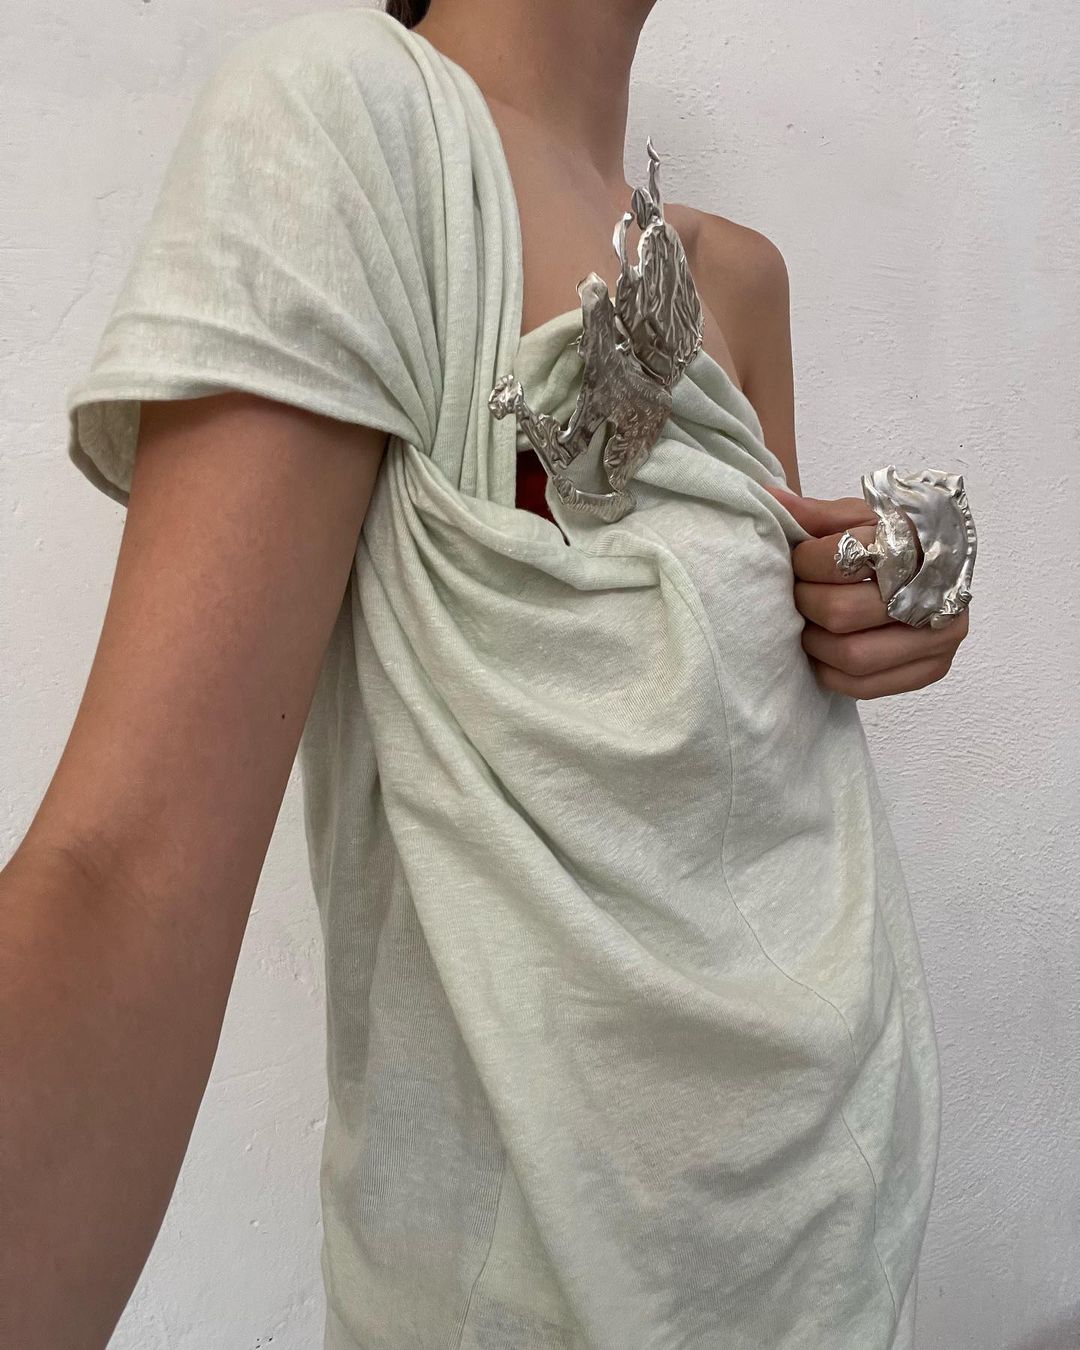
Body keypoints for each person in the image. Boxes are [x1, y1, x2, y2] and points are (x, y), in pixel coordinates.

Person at [3, 2, 969, 1347]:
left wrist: (884, 597)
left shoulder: (743, 281)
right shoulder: (347, 128)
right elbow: (124, 873)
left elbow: (742, 742)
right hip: (521, 1287)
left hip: (826, 1224)